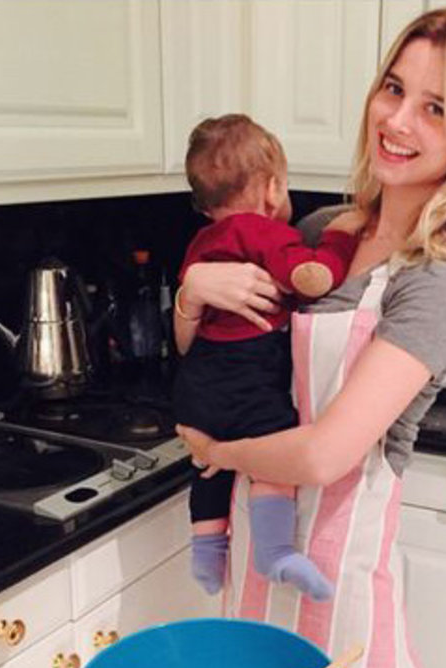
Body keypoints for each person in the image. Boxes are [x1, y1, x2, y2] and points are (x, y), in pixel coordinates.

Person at [176, 7, 446, 668]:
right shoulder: (317, 233)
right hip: (253, 560)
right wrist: (191, 294)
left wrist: (215, 450)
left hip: (338, 595)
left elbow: (323, 456)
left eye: (436, 108)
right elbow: (200, 351)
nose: (396, 121)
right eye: (394, 89)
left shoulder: (445, 275)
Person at [174, 114, 365, 602]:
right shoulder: (267, 233)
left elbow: (185, 338)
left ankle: (206, 552)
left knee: (207, 465)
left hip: (198, 380)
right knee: (271, 454)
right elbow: (313, 277)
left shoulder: (201, 242)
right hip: (251, 373)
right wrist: (340, 238)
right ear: (274, 187)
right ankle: (275, 551)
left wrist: (189, 292)